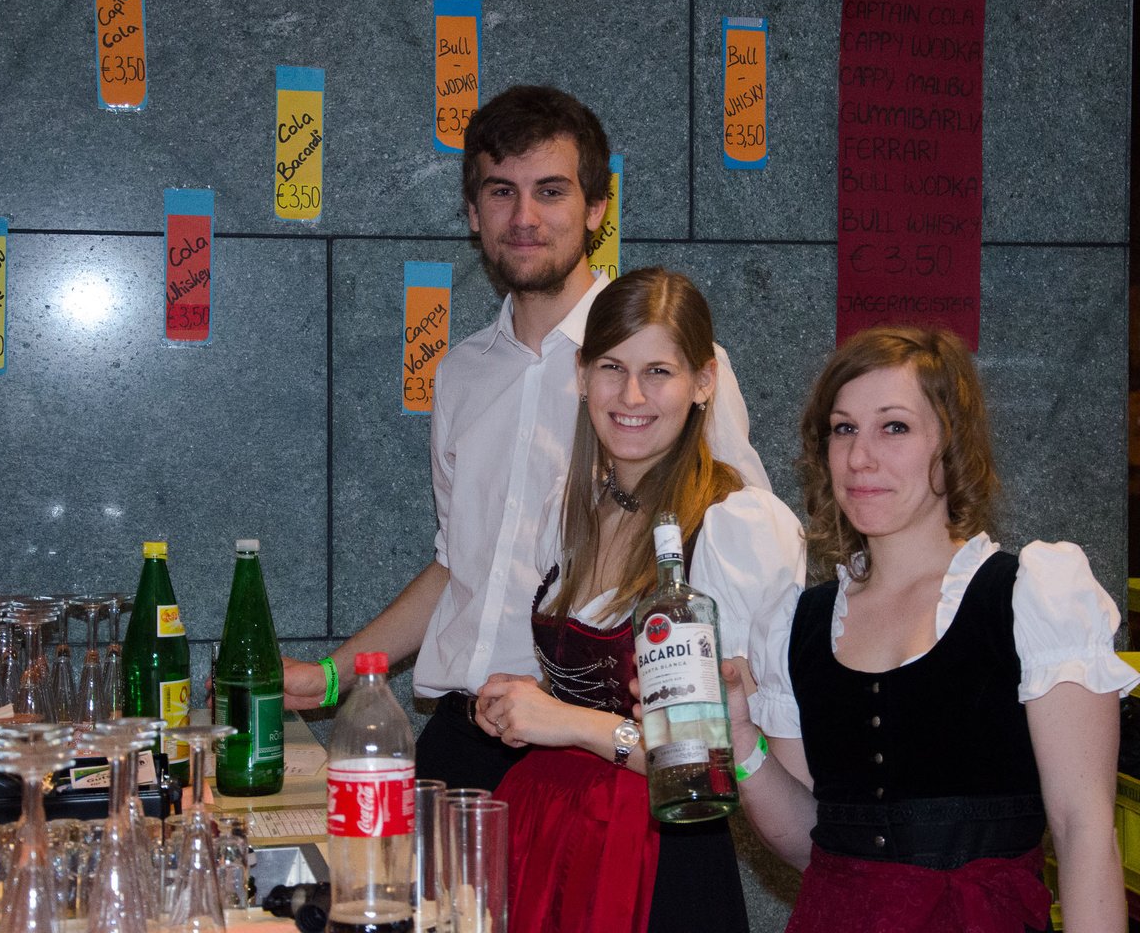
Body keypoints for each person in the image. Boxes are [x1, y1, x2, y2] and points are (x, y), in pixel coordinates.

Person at [281, 85, 770, 791]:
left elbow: (733, 573)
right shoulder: (461, 373)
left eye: (550, 191)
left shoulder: (670, 374)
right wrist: (332, 675)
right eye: (501, 192)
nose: (524, 217)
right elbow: (458, 565)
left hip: (601, 754)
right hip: (459, 739)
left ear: (596, 209)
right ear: (473, 213)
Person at [727, 325, 1138, 933]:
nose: (860, 457)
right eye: (844, 428)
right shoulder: (798, 624)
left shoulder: (1032, 597)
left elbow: (1084, 832)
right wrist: (739, 738)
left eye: (894, 427)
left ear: (952, 443)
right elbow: (812, 843)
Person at [472, 267, 804, 933]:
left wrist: (567, 722)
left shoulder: (732, 529)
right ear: (581, 375)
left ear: (703, 383)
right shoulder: (573, 508)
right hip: (549, 833)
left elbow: (718, 762)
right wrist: (523, 701)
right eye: (611, 368)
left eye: (659, 371)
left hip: (653, 856)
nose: (631, 395)